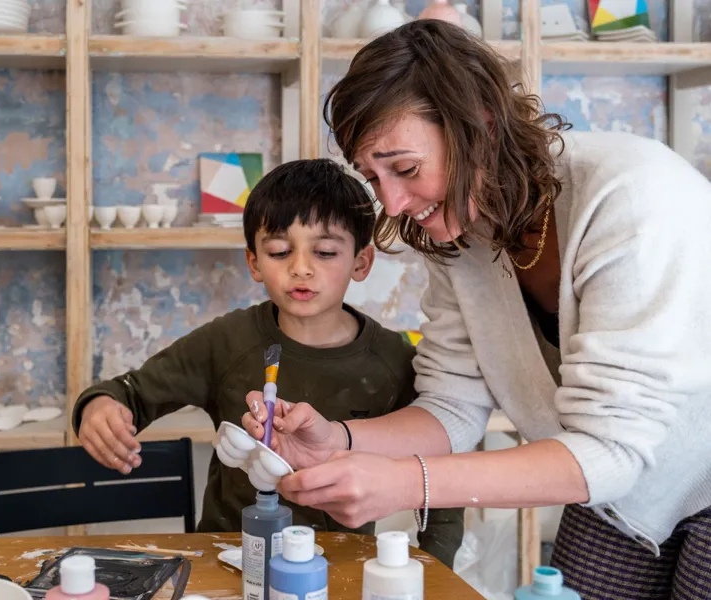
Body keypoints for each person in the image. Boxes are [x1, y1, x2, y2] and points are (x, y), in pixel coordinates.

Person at [240, 20, 711, 600]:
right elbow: (453, 408)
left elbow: (612, 448)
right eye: (373, 176)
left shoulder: (632, 197)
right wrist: (338, 440)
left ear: (480, 128)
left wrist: (407, 483)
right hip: (617, 487)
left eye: (406, 168)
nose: (392, 202)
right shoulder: (461, 231)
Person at [72, 158, 465, 568]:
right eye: (279, 251)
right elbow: (130, 393)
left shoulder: (395, 362)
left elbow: (437, 470)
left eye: (326, 251)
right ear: (255, 262)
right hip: (225, 562)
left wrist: (435, 565)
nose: (301, 268)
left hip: (338, 570)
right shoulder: (227, 341)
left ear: (361, 262)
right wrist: (100, 407)